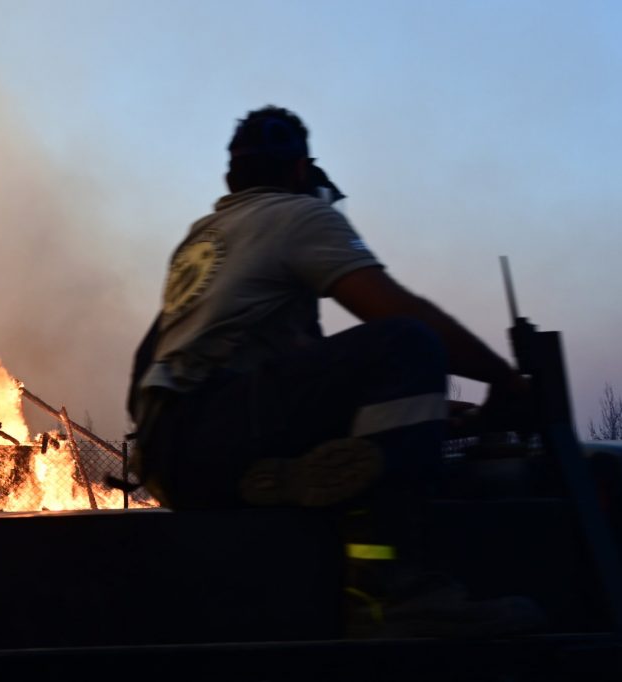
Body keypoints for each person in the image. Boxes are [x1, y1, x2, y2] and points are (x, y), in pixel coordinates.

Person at [127, 105, 544, 638]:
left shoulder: (204, 237)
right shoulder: (296, 215)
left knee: (374, 393)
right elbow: (399, 314)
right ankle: (391, 594)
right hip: (218, 424)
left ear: (232, 177)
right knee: (409, 343)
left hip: (175, 457)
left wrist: (428, 419)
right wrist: (504, 380)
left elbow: (308, 380)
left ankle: (278, 481)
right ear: (302, 172)